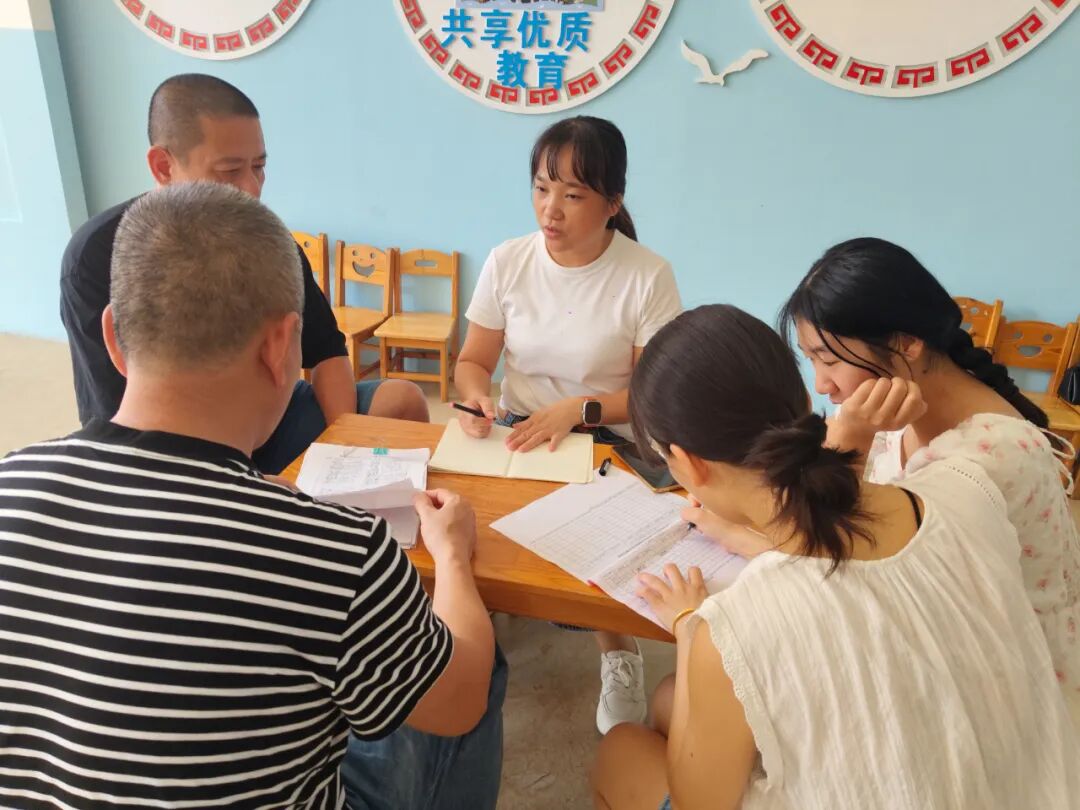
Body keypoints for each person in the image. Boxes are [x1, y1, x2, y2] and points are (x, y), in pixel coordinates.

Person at [1, 183, 503, 809]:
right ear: (278, 347)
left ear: (113, 337)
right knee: (470, 651)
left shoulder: (9, 485)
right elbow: (459, 703)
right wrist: (452, 558)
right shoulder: (336, 551)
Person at [591, 304, 1079, 810]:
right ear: (803, 396)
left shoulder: (734, 627)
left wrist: (691, 626)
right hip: (1038, 782)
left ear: (688, 462)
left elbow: (700, 803)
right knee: (673, 702)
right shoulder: (968, 486)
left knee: (621, 747)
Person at [59, 73, 428, 475]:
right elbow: (113, 413)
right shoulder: (95, 257)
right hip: (176, 445)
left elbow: (327, 351)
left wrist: (340, 452)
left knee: (400, 400)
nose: (251, 188)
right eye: (229, 171)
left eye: (258, 167)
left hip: (272, 418)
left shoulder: (265, 239)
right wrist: (251, 488)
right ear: (164, 166)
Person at [769, 237, 1078, 695]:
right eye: (812, 358)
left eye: (830, 359)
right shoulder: (898, 404)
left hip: (1007, 685)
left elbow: (862, 569)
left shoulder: (984, 460)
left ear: (907, 344)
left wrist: (847, 443)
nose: (822, 385)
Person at [454, 116, 682, 734]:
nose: (550, 210)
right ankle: (470, 638)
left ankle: (618, 653)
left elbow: (651, 393)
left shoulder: (646, 275)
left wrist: (577, 412)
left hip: (604, 434)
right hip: (518, 430)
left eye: (573, 195)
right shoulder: (509, 261)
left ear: (612, 204)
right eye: (541, 187)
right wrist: (477, 400)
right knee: (459, 527)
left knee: (597, 557)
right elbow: (473, 362)